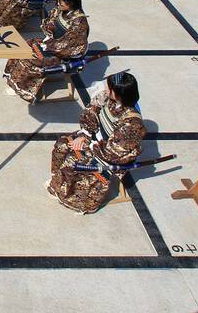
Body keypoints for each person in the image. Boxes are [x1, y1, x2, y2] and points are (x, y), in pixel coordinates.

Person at [48, 72, 145, 214]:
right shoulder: (107, 97)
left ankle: (70, 194)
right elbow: (91, 109)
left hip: (108, 153)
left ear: (117, 94)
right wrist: (85, 134)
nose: (105, 89)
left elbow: (116, 151)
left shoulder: (132, 123)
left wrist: (91, 146)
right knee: (62, 145)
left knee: (75, 162)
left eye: (109, 88)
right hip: (94, 137)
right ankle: (58, 181)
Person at [4, 0, 89, 102]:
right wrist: (49, 30)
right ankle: (14, 79)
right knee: (25, 47)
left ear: (72, 2)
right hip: (52, 44)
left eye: (63, 1)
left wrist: (49, 46)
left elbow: (70, 45)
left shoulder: (79, 22)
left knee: (32, 58)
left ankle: (23, 87)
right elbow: (50, 22)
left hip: (65, 55)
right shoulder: (60, 8)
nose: (59, 3)